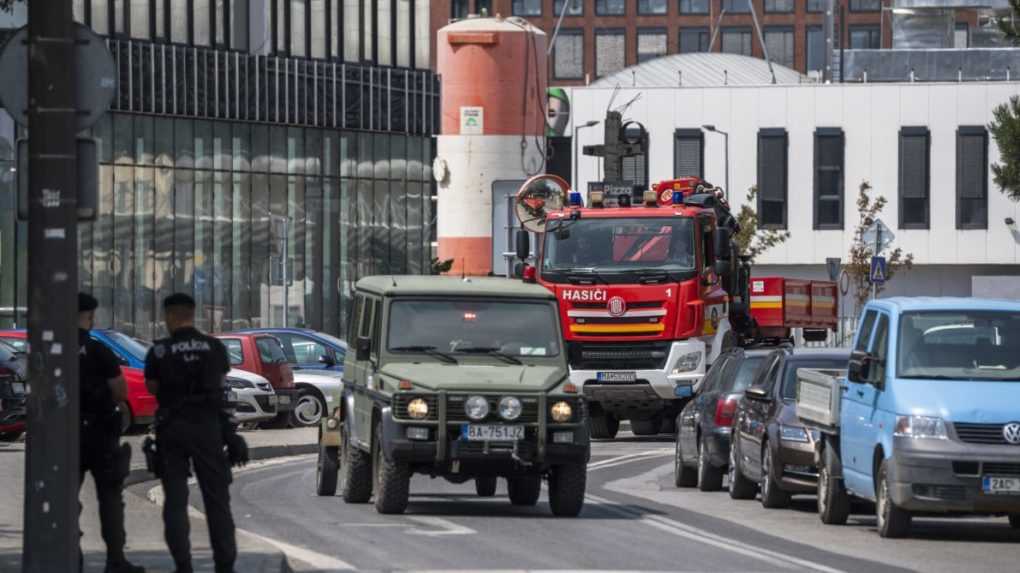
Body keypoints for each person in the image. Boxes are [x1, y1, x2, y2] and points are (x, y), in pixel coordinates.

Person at [144, 293, 244, 573]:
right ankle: (224, 565)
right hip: (207, 427)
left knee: (175, 502)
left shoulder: (160, 351)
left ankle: (183, 566)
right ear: (191, 313)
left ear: (170, 316)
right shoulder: (213, 347)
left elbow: (152, 388)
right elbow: (221, 386)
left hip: (172, 427)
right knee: (217, 501)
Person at [77, 293, 145, 573]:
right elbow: (120, 391)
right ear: (89, 316)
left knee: (66, 498)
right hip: (101, 433)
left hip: (66, 435)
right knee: (110, 499)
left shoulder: (51, 348)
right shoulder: (98, 350)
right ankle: (115, 560)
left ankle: (69, 557)